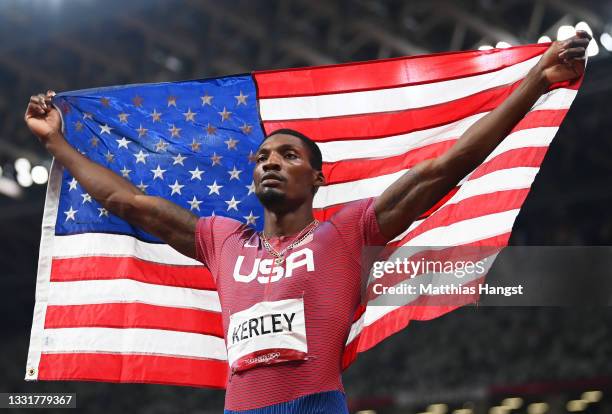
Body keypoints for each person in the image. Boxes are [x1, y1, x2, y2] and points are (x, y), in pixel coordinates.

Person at [25, 33, 590, 413]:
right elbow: (130, 203)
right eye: (264, 157)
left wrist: (536, 82)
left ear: (317, 179)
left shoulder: (345, 234)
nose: (271, 161)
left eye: (289, 156)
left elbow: (444, 168)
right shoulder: (222, 239)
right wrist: (57, 142)